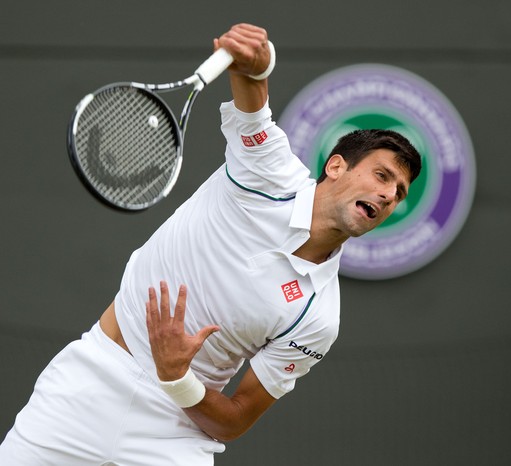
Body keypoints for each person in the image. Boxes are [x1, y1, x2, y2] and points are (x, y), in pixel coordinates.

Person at [0, 23, 421, 465]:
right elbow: (253, 104)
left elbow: (236, 419)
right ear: (336, 167)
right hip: (88, 385)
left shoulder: (317, 316)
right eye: (382, 175)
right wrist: (258, 65)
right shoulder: (270, 173)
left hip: (174, 436)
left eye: (399, 193)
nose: (389, 194)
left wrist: (176, 375)